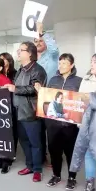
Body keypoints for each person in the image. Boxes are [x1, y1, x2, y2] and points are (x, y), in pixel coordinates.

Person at [9, 42, 47, 182]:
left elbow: (36, 89)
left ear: (30, 53)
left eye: (21, 50)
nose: (18, 52)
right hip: (19, 111)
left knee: (35, 143)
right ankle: (29, 165)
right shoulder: (21, 69)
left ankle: (37, 169)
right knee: (24, 142)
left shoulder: (38, 70)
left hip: (31, 112)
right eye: (18, 50)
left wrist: (15, 89)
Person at [45, 53, 82, 190]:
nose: (60, 66)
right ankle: (56, 175)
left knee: (70, 152)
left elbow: (82, 102)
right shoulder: (53, 80)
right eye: (59, 63)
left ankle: (72, 177)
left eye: (64, 63)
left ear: (71, 65)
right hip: (53, 123)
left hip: (70, 124)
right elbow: (47, 99)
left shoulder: (79, 81)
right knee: (54, 150)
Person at [34, 22, 60, 165]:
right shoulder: (32, 60)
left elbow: (55, 49)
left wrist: (42, 33)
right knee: (39, 130)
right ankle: (42, 156)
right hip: (34, 97)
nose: (38, 43)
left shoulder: (52, 56)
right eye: (36, 41)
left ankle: (55, 157)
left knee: (51, 130)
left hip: (49, 96)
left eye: (40, 41)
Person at [70, 91, 96, 191]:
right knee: (90, 156)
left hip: (93, 134)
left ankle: (91, 184)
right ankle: (90, 182)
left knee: (92, 157)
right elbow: (85, 122)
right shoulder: (92, 101)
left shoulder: (91, 100)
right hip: (92, 135)